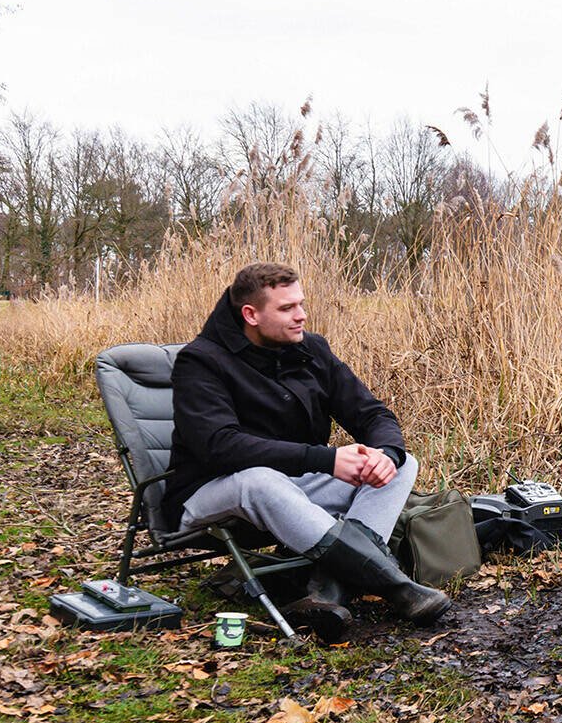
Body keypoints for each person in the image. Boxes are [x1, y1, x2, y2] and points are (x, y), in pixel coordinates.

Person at [164, 262, 450, 639]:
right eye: (286, 308)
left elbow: (371, 413)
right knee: (261, 481)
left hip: (293, 489)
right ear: (250, 314)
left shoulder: (311, 350)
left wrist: (385, 453)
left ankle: (326, 591)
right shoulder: (200, 362)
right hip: (208, 493)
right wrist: (326, 460)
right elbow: (221, 447)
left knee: (402, 465)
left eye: (300, 304)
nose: (301, 315)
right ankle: (395, 585)